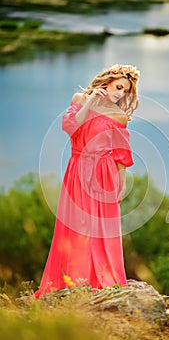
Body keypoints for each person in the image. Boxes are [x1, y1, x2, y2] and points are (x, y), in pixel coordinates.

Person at [34, 64, 140, 298]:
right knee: (77, 226)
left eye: (125, 91)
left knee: (101, 229)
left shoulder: (119, 115)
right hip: (78, 169)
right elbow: (71, 127)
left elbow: (121, 152)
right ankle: (72, 281)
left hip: (105, 174)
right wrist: (91, 102)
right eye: (118, 87)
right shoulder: (80, 99)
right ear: (108, 82)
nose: (120, 93)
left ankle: (101, 280)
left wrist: (122, 182)